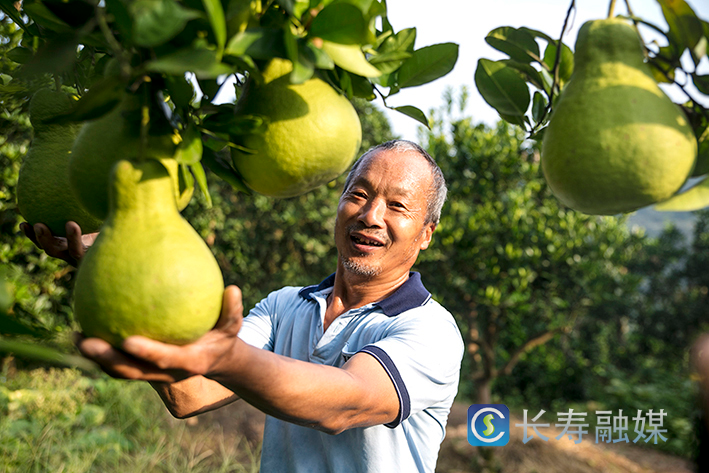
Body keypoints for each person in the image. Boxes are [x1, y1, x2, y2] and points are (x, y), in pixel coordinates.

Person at [22, 140, 464, 473]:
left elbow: (344, 404)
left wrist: (227, 358)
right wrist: (116, 271)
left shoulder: (430, 330)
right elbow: (190, 392)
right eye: (359, 194)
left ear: (426, 233)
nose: (370, 215)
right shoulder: (284, 307)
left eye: (397, 206)